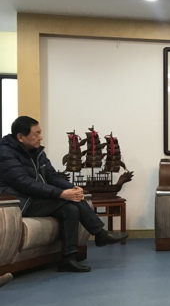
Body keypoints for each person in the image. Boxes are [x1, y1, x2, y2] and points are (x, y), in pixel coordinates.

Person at [0, 116, 128, 272]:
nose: (41, 137)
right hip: (20, 203)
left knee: (70, 208)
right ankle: (100, 233)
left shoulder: (37, 152)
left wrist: (73, 188)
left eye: (40, 133)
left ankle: (68, 258)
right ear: (21, 137)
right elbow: (23, 182)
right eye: (36, 133)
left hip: (38, 198)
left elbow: (52, 176)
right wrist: (61, 194)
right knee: (69, 202)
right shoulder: (5, 152)